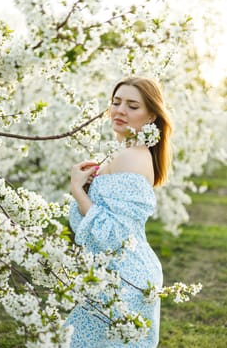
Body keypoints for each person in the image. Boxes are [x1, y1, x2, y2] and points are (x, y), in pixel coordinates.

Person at [66, 76, 173, 347]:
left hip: (126, 278)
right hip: (111, 273)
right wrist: (88, 190)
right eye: (116, 102)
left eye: (132, 106)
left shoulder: (132, 157)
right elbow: (95, 224)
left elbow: (114, 234)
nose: (120, 110)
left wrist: (78, 192)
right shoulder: (119, 152)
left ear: (151, 116)